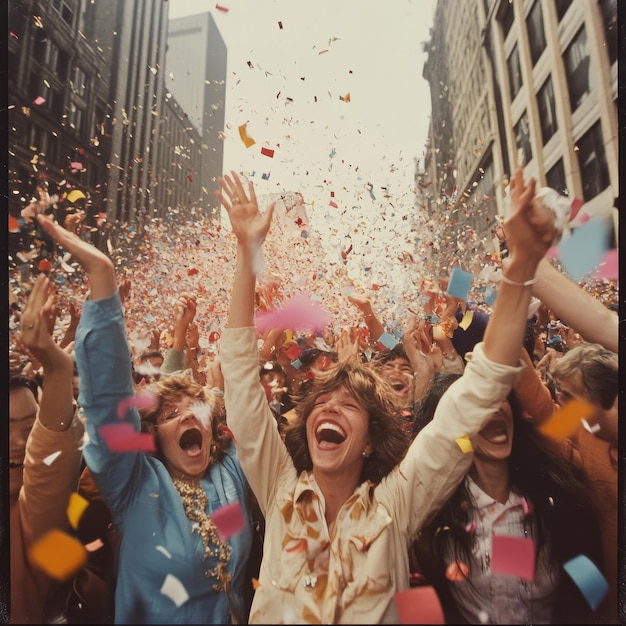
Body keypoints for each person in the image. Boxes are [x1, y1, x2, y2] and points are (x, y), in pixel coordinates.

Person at [215, 165, 558, 623]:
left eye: (349, 405)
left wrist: (519, 270)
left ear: (372, 440)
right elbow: (239, 378)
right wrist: (246, 253)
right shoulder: (277, 487)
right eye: (322, 404)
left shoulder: (397, 507)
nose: (331, 407)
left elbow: (476, 394)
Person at [36, 214, 255, 624]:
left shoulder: (231, 471)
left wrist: (248, 254)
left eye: (196, 408)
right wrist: (102, 280)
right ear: (152, 435)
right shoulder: (137, 487)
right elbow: (107, 405)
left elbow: (244, 388)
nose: (187, 414)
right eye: (170, 414)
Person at [410, 373, 604, 624]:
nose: (491, 408)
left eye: (498, 398)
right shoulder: (433, 519)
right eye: (474, 405)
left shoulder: (557, 500)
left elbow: (593, 593)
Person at [9, 273, 85, 624]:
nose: (20, 444)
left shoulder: (26, 521)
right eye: (4, 430)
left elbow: (46, 466)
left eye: (30, 428)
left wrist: (56, 372)